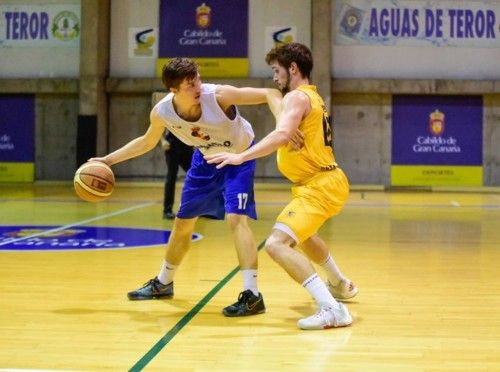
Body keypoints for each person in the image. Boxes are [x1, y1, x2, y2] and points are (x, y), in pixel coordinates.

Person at [89, 57, 292, 317]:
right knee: (183, 222)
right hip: (205, 158)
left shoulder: (218, 96)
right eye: (189, 84)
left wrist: (283, 124)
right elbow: (145, 142)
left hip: (239, 157)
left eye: (197, 78)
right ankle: (163, 283)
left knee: (236, 219)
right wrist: (107, 160)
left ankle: (252, 295)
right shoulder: (162, 111)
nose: (197, 86)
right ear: (174, 90)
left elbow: (270, 92)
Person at [205, 42, 358, 330]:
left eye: (277, 71)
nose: (275, 78)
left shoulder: (298, 98)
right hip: (320, 182)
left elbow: (282, 134)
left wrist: (241, 155)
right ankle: (339, 283)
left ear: (293, 69)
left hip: (319, 185)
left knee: (276, 245)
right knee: (306, 235)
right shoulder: (311, 97)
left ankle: (332, 309)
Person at [161, 129, 193, 220]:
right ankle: (167, 211)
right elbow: (159, 125)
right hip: (172, 145)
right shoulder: (168, 114)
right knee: (171, 177)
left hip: (187, 143)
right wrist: (163, 140)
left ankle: (197, 208)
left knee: (196, 176)